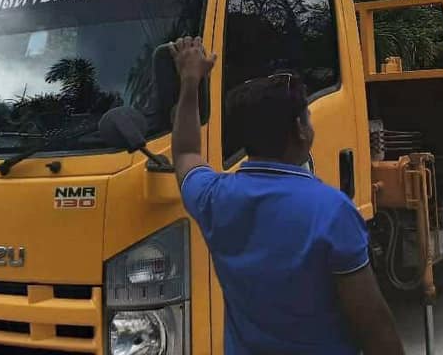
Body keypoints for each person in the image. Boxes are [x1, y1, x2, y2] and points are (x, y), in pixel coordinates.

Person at [170, 36, 405, 355]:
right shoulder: (332, 210)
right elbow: (375, 325)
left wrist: (189, 82)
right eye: (308, 116)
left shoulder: (215, 197)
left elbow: (185, 152)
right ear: (300, 129)